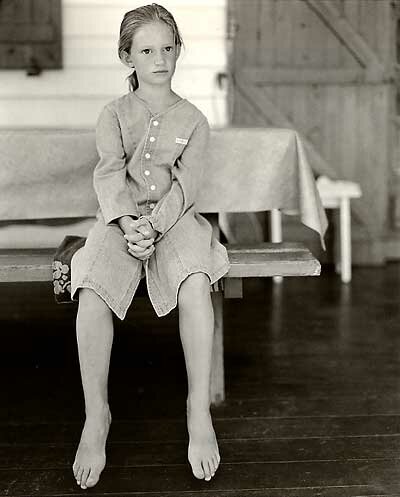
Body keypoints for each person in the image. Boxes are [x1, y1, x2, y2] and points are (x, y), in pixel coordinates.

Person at [70, 3, 230, 490]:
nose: (159, 59)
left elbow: (187, 187)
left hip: (176, 221)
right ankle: (97, 416)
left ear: (178, 50)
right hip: (118, 219)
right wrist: (125, 222)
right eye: (146, 50)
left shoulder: (194, 120)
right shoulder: (113, 114)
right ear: (127, 57)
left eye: (167, 48)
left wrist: (156, 226)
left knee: (196, 280)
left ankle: (197, 411)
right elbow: (108, 173)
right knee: (93, 285)